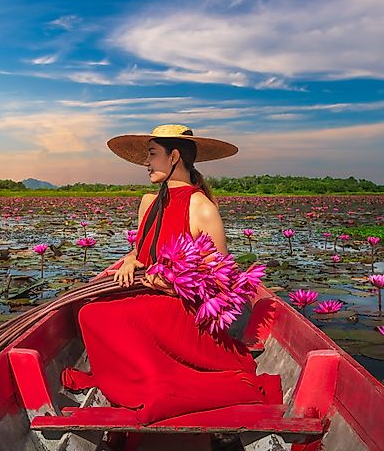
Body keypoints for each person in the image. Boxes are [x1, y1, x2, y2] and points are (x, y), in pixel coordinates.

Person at [61, 124, 282, 425]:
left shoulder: (202, 208)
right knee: (86, 310)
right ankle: (145, 376)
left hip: (181, 308)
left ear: (174, 156)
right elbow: (142, 251)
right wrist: (129, 260)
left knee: (98, 317)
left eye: (152, 155)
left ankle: (156, 385)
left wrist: (172, 284)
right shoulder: (148, 203)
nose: (147, 163)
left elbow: (222, 281)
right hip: (147, 297)